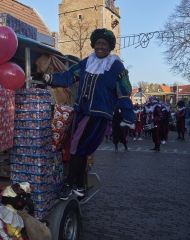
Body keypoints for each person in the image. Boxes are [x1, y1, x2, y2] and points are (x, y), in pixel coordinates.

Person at [43, 28, 135, 200]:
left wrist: (128, 116)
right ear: (93, 45)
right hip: (81, 111)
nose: (100, 47)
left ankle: (69, 185)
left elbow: (124, 91)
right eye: (98, 43)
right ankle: (79, 187)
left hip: (98, 114)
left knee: (77, 148)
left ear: (109, 47)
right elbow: (70, 75)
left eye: (104, 44)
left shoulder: (116, 66)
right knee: (81, 149)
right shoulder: (86, 63)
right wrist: (51, 79)